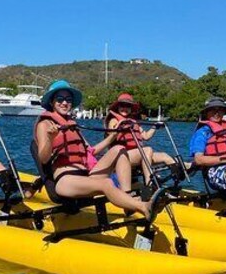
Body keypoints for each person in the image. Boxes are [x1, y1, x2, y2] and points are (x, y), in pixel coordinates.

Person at [33, 80, 166, 221]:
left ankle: (127, 199)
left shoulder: (72, 124)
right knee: (107, 183)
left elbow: (91, 151)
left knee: (119, 149)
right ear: (52, 102)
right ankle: (143, 207)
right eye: (60, 99)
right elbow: (44, 158)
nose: (65, 103)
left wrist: (112, 136)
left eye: (68, 99)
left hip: (86, 175)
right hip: (66, 179)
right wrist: (50, 138)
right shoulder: (45, 124)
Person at [103, 93, 178, 184]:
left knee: (164, 156)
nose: (125, 108)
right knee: (147, 150)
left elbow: (145, 136)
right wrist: (120, 125)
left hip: (137, 154)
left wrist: (154, 127)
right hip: (121, 156)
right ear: (118, 107)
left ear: (131, 108)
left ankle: (177, 180)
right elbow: (111, 133)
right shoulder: (114, 120)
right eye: (122, 105)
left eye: (128, 106)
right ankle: (149, 183)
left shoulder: (133, 122)